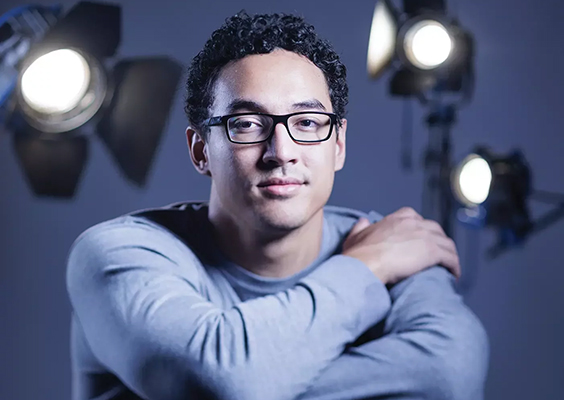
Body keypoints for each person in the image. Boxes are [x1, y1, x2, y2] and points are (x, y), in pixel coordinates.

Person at [66, 11, 489, 400]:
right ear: (200, 151)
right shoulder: (119, 253)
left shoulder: (397, 243)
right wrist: (367, 268)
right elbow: (214, 381)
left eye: (307, 122)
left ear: (338, 144)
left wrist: (249, 380)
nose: (281, 151)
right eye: (247, 124)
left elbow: (448, 375)